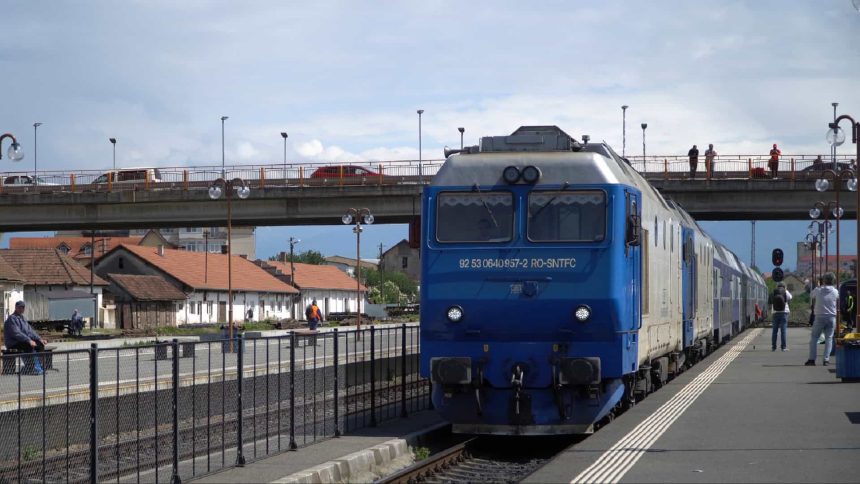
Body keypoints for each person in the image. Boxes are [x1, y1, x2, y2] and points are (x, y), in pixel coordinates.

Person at [3, 301, 47, 374]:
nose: (22, 309)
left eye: (23, 307)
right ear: (16, 308)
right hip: (14, 342)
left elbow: (30, 331)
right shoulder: (12, 319)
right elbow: (17, 333)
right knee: (28, 345)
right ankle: (32, 368)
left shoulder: (22, 318)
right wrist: (29, 340)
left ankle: (41, 367)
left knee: (40, 345)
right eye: (20, 307)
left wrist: (39, 339)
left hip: (22, 340)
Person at [807, 272, 839, 366]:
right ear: (833, 281)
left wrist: (818, 286)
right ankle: (826, 359)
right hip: (831, 317)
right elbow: (836, 298)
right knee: (829, 338)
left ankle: (812, 359)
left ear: (824, 280)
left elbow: (811, 295)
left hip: (819, 317)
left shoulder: (818, 290)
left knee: (814, 338)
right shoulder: (835, 291)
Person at [769, 282, 792, 351]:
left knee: (774, 331)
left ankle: (773, 347)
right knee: (783, 331)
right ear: (784, 287)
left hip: (775, 313)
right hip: (784, 313)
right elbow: (790, 297)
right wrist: (786, 290)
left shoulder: (773, 292)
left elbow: (770, 301)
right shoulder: (785, 292)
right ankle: (783, 347)